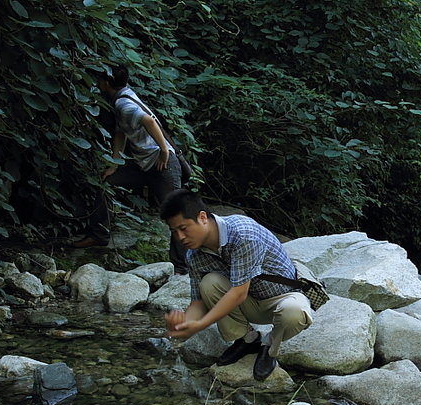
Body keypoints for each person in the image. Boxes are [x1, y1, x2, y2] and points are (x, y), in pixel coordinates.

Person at [160, 190, 313, 380]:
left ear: (202, 218)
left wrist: (200, 325)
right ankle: (248, 339)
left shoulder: (243, 233)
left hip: (281, 297)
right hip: (249, 301)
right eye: (175, 232)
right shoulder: (195, 255)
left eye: (184, 228)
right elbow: (198, 303)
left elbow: (239, 293)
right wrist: (184, 325)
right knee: (209, 284)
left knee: (295, 312)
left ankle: (269, 346)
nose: (180, 237)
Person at [73, 65, 188, 274]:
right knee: (106, 183)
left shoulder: (124, 104)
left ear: (106, 83)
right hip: (142, 164)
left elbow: (148, 121)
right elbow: (121, 133)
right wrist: (114, 163)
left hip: (161, 164)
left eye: (99, 80)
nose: (97, 84)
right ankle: (99, 234)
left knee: (176, 213)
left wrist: (164, 150)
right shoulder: (122, 99)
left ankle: (181, 268)